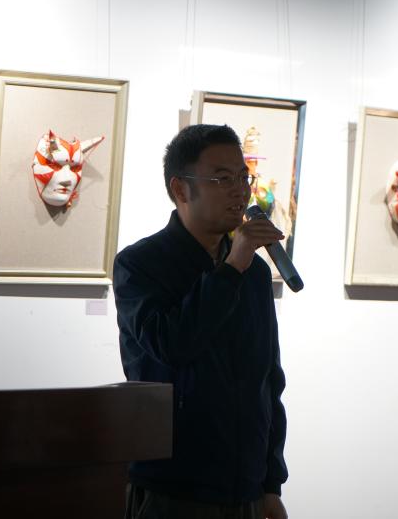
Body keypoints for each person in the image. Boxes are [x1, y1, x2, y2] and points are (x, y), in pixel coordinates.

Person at [114, 124, 290, 519]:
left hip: (246, 488)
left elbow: (268, 380)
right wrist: (231, 268)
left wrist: (270, 483)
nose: (240, 191)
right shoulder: (140, 265)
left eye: (243, 177)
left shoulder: (254, 273)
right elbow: (173, 346)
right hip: (172, 487)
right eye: (223, 179)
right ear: (181, 189)